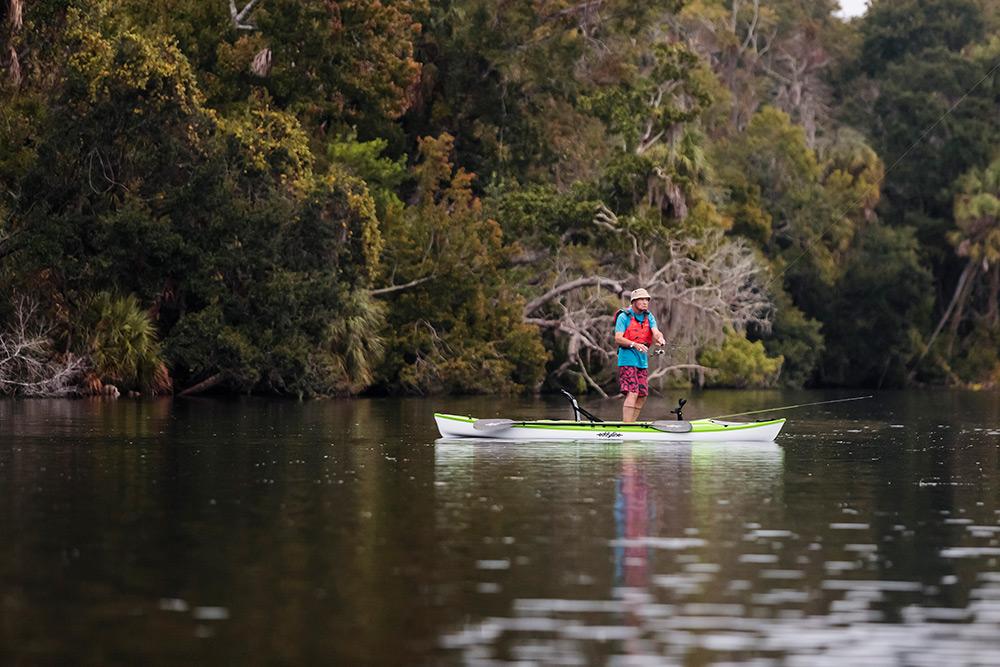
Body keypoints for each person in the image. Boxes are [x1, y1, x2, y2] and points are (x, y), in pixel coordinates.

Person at [614, 288, 665, 422]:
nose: (645, 302)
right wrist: (634, 344)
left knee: (642, 394)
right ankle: (627, 427)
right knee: (633, 391)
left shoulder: (649, 316)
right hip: (627, 359)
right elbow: (618, 338)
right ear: (633, 301)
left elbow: (656, 332)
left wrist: (660, 339)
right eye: (641, 299)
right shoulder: (623, 316)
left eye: (646, 300)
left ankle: (631, 425)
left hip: (642, 361)